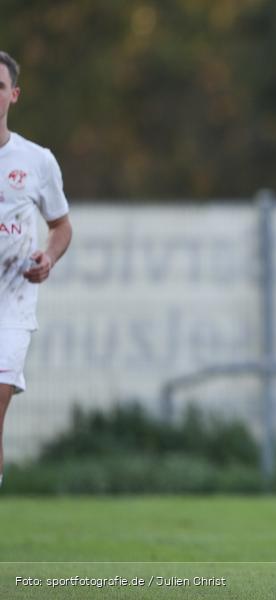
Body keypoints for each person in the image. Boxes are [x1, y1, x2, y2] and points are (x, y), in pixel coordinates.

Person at [0, 50, 73, 488]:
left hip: (11, 306)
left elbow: (61, 226)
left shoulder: (36, 161)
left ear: (14, 95)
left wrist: (48, 257)